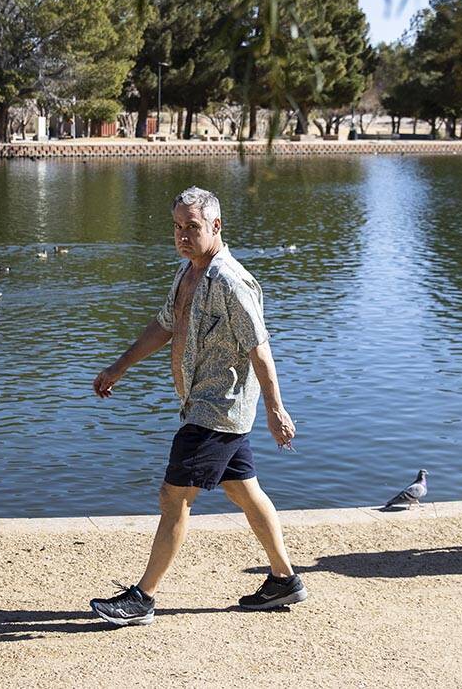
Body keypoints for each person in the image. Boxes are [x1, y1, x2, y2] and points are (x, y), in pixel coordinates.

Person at [88, 186, 307, 625]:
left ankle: (143, 598)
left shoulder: (231, 280)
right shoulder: (187, 273)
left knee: (174, 495)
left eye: (192, 227)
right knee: (243, 490)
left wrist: (276, 409)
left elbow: (259, 348)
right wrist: (120, 365)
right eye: (177, 227)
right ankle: (284, 580)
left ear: (215, 226)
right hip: (197, 403)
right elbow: (165, 326)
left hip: (218, 408)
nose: (183, 235)